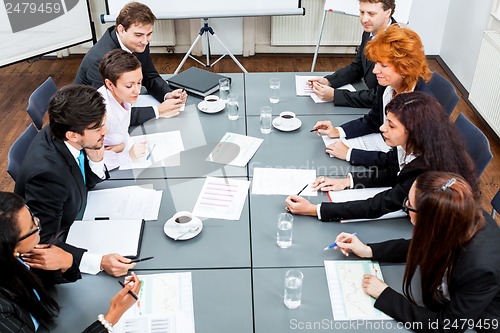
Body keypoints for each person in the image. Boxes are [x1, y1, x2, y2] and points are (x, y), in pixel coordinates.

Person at [333, 172, 500, 332]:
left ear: (430, 219)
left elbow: (445, 327)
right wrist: (369, 250)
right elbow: (425, 244)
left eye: (409, 206)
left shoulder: (479, 268)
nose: (405, 206)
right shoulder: (455, 212)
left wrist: (385, 295)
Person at [285, 92, 479, 222]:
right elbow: (393, 171)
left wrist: (315, 210)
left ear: (415, 131)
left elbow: (379, 205)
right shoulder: (416, 145)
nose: (382, 128)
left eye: (391, 126)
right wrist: (348, 181)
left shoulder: (425, 170)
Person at [14, 85, 135, 278]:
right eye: (97, 128)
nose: (105, 131)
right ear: (72, 135)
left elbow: (83, 180)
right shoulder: (47, 176)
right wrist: (100, 262)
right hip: (68, 238)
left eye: (103, 123)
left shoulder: (64, 133)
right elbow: (43, 243)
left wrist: (96, 157)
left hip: (82, 211)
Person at [0, 191, 142, 332]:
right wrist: (112, 316)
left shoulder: (19, 254)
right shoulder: (2, 311)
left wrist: (66, 263)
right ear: (12, 247)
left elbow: (41, 278)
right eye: (32, 228)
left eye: (32, 216)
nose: (38, 222)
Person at [313, 24, 438, 168]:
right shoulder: (387, 85)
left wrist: (350, 154)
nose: (375, 71)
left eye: (383, 66)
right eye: (376, 63)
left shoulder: (420, 108)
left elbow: (399, 161)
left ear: (405, 67)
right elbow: (374, 119)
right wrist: (338, 131)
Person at [74, 2, 187, 125]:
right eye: (138, 35)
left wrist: (166, 94)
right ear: (121, 30)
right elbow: (109, 112)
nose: (145, 41)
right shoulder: (99, 59)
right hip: (90, 120)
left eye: (149, 34)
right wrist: (158, 111)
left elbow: (149, 76)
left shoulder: (138, 43)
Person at [308, 0, 396, 108]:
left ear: (387, 12)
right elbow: (358, 67)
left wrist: (336, 95)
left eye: (371, 14)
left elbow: (381, 96)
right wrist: (329, 81)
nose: (364, 19)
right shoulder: (370, 31)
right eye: (362, 12)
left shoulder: (396, 44)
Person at [98, 49, 148, 170]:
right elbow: (93, 162)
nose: (137, 90)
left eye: (139, 82)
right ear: (110, 84)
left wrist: (122, 145)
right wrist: (127, 155)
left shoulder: (123, 97)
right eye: (129, 86)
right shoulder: (102, 114)